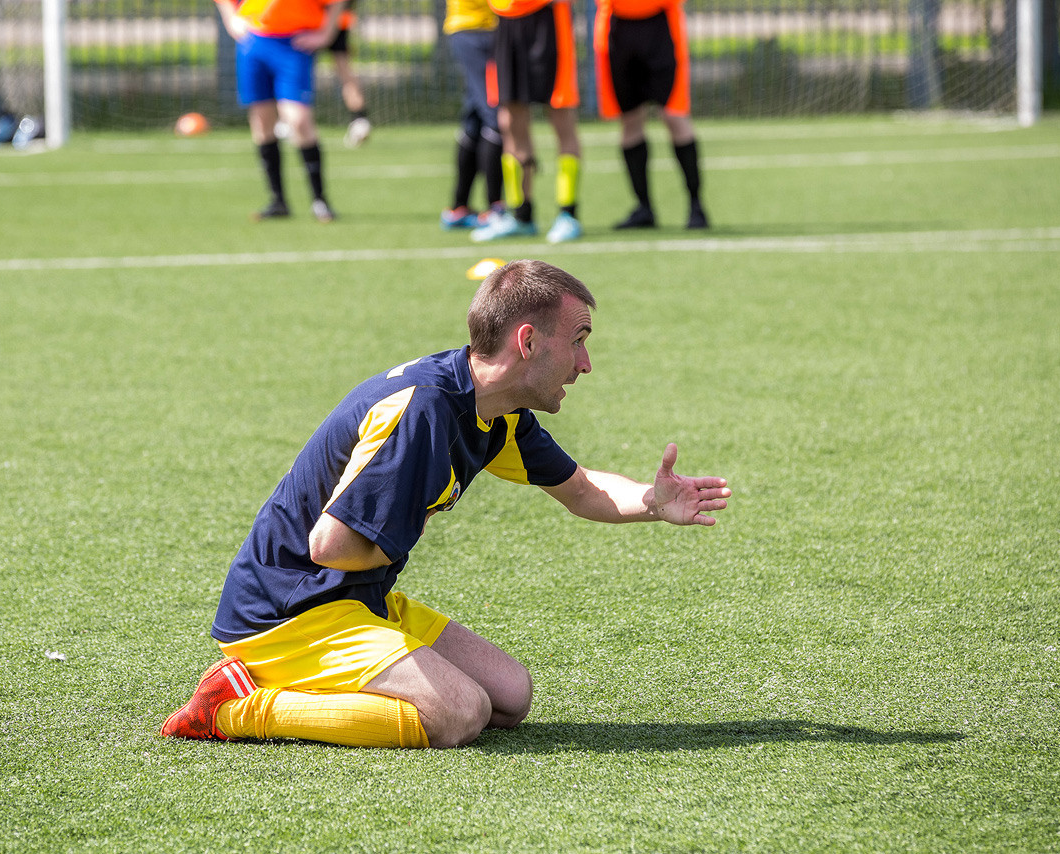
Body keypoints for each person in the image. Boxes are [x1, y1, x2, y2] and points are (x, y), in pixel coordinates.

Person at [161, 260, 732, 750]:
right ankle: (236, 707)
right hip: (288, 612)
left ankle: (334, 670)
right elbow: (328, 546)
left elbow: (582, 490)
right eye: (579, 340)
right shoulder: (423, 410)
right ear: (528, 341)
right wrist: (404, 528)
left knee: (510, 698)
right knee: (460, 714)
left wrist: (654, 501)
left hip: (357, 601)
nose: (585, 364)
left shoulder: (497, 412)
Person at [216, 0, 345, 222]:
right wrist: (230, 18)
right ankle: (278, 201)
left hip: (294, 43)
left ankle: (319, 200)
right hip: (254, 41)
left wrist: (327, 33)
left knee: (298, 120)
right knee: (262, 124)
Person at [470, 0, 584, 244]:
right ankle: (521, 215)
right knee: (510, 121)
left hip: (548, 16)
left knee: (561, 114)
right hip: (507, 21)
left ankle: (568, 214)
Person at [593, 0, 708, 230]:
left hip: (660, 22)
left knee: (674, 115)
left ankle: (696, 205)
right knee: (630, 120)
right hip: (617, 25)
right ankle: (643, 207)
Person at [439, 0, 504, 231]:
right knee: (494, 116)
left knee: (475, 118)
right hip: (471, 29)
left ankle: (459, 207)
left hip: (486, 28)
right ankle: (495, 208)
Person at [324, 0, 373, 148]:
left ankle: (288, 119)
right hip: (338, 19)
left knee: (295, 68)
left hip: (317, 19)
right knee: (344, 70)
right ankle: (360, 121)